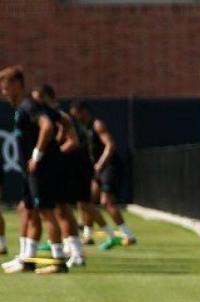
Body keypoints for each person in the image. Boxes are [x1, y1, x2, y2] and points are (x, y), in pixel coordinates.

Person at [0, 67, 83, 274]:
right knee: (28, 211)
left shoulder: (29, 106)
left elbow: (47, 126)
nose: (3, 90)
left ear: (18, 84)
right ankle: (27, 260)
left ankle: (58, 262)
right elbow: (62, 120)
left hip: (41, 169)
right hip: (31, 170)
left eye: (6, 84)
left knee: (47, 212)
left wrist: (39, 154)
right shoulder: (25, 107)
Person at [32, 85, 88, 267]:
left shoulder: (59, 116)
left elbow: (73, 141)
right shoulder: (46, 116)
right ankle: (71, 248)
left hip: (64, 168)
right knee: (59, 209)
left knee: (61, 209)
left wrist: (53, 154)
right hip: (56, 167)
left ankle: (77, 252)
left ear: (46, 98)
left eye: (38, 98)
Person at [69, 100, 136, 250]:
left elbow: (110, 145)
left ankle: (128, 235)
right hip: (98, 169)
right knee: (86, 201)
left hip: (109, 167)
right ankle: (87, 235)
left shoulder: (97, 125)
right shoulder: (83, 128)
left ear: (83, 111)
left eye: (77, 114)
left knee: (106, 202)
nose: (76, 118)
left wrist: (100, 164)